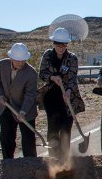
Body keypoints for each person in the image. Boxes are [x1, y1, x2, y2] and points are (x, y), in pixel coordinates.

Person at [38, 27, 85, 159]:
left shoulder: (72, 58)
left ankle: (64, 159)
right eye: (59, 44)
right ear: (54, 43)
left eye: (64, 44)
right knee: (53, 127)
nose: (62, 47)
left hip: (67, 99)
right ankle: (53, 158)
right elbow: (42, 74)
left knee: (65, 128)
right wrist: (52, 77)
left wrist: (69, 91)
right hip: (51, 97)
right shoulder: (47, 55)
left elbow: (72, 77)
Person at [0, 43, 38, 159]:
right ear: (11, 58)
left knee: (28, 141)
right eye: (17, 60)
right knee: (6, 137)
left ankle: (31, 165)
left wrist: (23, 112)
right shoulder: (2, 65)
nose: (21, 63)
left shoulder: (31, 73)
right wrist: (0, 96)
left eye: (23, 60)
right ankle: (8, 164)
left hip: (26, 109)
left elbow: (30, 95)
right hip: (7, 107)